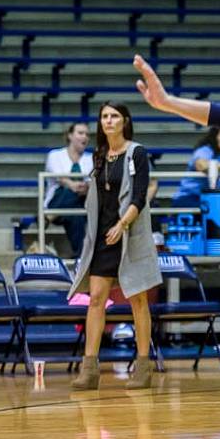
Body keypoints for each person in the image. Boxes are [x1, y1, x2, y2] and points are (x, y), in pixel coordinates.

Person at [67, 102, 162, 391]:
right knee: (96, 299)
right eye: (105, 116)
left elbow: (140, 196)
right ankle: (90, 368)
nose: (109, 121)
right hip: (102, 237)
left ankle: (143, 366)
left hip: (129, 235)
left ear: (125, 121)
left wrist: (122, 225)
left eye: (115, 116)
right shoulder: (98, 155)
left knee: (138, 300)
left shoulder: (137, 152)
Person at [44, 122, 93, 257]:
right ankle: (80, 258)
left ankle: (47, 217)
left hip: (83, 201)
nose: (85, 137)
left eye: (87, 134)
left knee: (76, 215)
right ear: (70, 136)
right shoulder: (55, 155)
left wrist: (86, 187)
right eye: (80, 133)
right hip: (57, 199)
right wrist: (72, 185)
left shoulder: (91, 158)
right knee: (69, 194)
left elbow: (94, 181)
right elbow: (59, 177)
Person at [170, 126, 220, 208]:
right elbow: (202, 166)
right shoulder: (205, 150)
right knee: (213, 208)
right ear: (215, 138)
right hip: (191, 196)